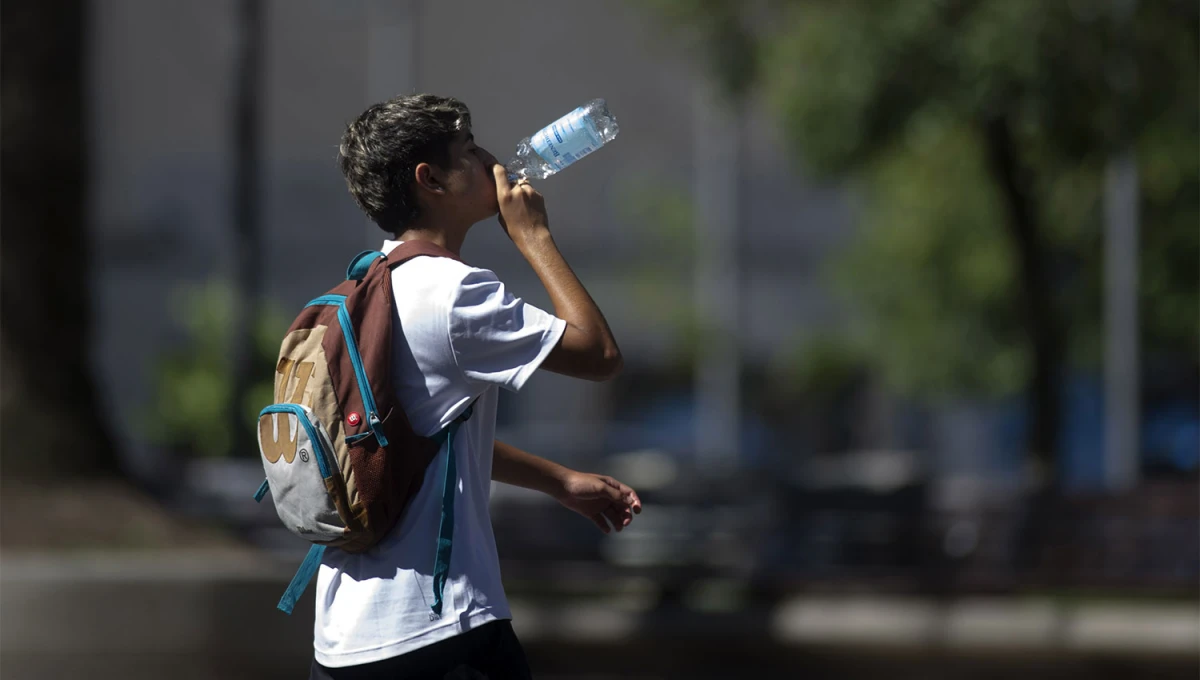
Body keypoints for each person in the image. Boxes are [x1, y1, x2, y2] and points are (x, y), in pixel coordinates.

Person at [309, 94, 641, 679]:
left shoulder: (361, 289)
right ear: (430, 178)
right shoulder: (455, 292)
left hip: (342, 639)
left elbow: (423, 433)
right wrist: (534, 236)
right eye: (469, 149)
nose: (492, 160)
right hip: (440, 630)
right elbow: (599, 353)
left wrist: (559, 480)